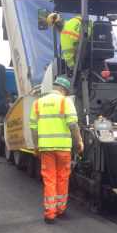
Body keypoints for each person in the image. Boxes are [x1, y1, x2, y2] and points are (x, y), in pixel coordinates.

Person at [29, 76, 84, 224]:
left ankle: (50, 214)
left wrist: (36, 146)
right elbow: (73, 125)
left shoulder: (38, 103)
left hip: (46, 148)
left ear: (54, 87)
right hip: (63, 149)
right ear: (64, 90)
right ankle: (61, 209)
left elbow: (33, 128)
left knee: (49, 179)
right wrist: (79, 142)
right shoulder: (66, 102)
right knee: (62, 178)